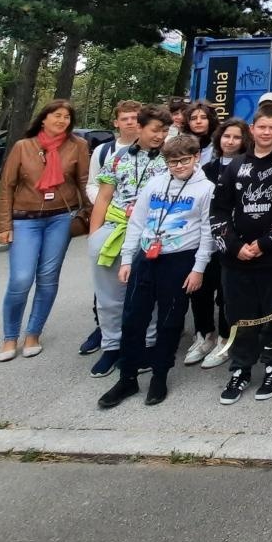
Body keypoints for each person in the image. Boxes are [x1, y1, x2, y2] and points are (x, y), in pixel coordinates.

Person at [97, 135, 214, 409]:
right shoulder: (155, 183)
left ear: (196, 157)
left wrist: (198, 269)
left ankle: (160, 375)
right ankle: (127, 377)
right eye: (173, 161)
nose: (179, 166)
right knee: (133, 318)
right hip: (147, 258)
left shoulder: (206, 188)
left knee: (170, 321)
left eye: (185, 160)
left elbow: (208, 232)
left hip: (180, 259)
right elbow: (137, 221)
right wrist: (127, 259)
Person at [211, 101, 272, 404]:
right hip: (236, 260)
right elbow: (219, 211)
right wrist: (236, 247)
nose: (266, 132)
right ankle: (240, 368)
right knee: (239, 315)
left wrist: (264, 244)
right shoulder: (236, 165)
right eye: (261, 127)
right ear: (252, 129)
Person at [0, 100, 90, 362]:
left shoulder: (77, 146)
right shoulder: (23, 147)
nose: (62, 121)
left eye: (67, 117)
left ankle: (33, 333)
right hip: (25, 219)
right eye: (56, 116)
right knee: (21, 279)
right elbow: (6, 186)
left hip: (59, 218)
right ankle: (10, 336)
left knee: (48, 278)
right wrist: (3, 225)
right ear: (44, 119)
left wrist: (92, 216)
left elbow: (83, 182)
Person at [88, 104, 172, 378]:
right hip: (114, 229)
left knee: (148, 294)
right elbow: (103, 197)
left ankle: (146, 344)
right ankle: (111, 345)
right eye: (155, 130)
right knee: (110, 296)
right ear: (140, 127)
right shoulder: (117, 158)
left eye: (165, 131)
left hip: (151, 234)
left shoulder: (170, 160)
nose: (160, 136)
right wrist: (94, 235)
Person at [78, 99, 141, 356]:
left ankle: (138, 338)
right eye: (125, 118)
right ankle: (105, 333)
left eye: (135, 118)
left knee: (137, 283)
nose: (130, 122)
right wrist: (107, 208)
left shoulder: (158, 153)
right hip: (111, 222)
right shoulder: (105, 152)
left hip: (140, 229)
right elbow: (94, 186)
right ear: (116, 122)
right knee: (106, 286)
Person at [190, 118, 250, 370]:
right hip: (206, 238)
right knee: (201, 289)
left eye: (236, 137)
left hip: (233, 239)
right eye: (227, 136)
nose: (231, 141)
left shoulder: (248, 166)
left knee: (227, 293)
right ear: (219, 138)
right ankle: (205, 334)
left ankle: (226, 339)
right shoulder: (208, 168)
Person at [183, 101, 218, 167]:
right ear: (188, 122)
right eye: (193, 118)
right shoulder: (181, 144)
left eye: (203, 118)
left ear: (210, 120)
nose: (198, 121)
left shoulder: (219, 143)